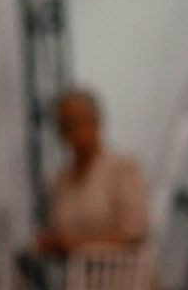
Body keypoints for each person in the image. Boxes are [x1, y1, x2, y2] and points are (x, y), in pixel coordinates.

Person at [36, 87, 152, 265]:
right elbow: (56, 232)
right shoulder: (59, 180)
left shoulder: (122, 168)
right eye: (64, 125)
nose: (72, 132)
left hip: (121, 281)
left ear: (96, 121)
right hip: (74, 282)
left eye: (77, 122)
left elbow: (135, 233)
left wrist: (80, 245)